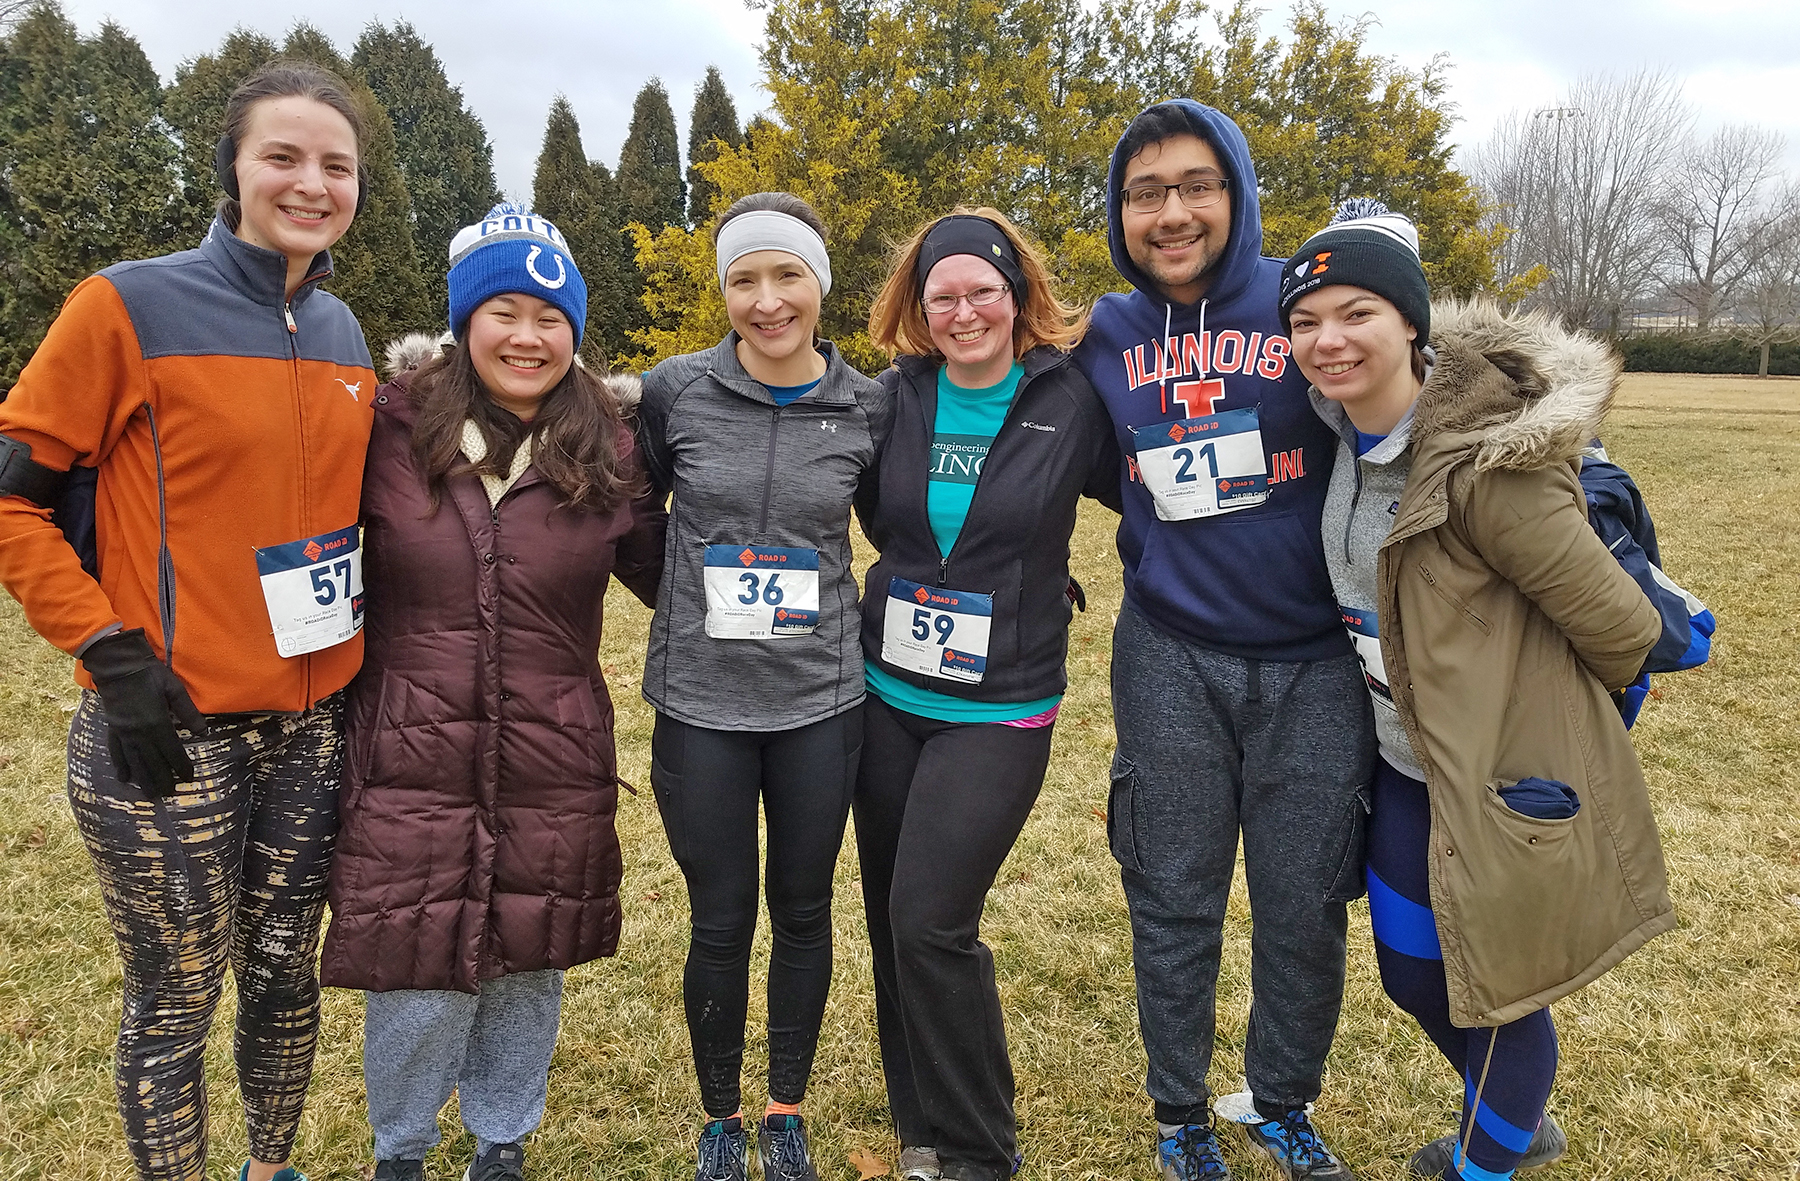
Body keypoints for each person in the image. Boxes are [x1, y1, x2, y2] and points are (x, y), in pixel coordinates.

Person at [0, 63, 375, 1181]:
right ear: (232, 167)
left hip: (312, 723)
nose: (311, 183)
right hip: (168, 726)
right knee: (176, 997)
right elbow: (15, 497)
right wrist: (108, 650)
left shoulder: (346, 326)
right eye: (284, 157)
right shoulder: (126, 303)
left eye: (336, 166)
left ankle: (271, 1166)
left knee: (283, 976)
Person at [1278, 202, 1674, 1181]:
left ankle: (1485, 1159)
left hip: (1491, 778)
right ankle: (1514, 1118)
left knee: (1493, 995)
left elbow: (1625, 630)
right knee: (1415, 973)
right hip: (1405, 765)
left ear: (1412, 321)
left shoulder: (1486, 467)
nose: (1328, 339)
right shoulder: (1337, 431)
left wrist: (1527, 724)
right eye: (1304, 320)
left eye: (1356, 311)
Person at [317, 205, 665, 1181]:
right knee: (418, 970)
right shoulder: (385, 428)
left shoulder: (609, 442)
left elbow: (667, 570)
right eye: (504, 310)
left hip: (552, 753)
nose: (527, 334)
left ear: (574, 331)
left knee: (527, 956)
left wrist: (799, 591)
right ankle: (402, 1149)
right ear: (465, 321)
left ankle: (503, 1140)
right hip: (410, 755)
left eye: (549, 315)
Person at [1071, 99, 1374, 1181]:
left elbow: (1421, 395)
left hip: (1316, 657)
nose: (1172, 212)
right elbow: (1045, 438)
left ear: (1237, 193)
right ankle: (1181, 1115)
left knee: (1304, 902)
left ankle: (1285, 1102)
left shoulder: (1306, 303)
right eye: (1145, 192)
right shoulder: (1104, 331)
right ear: (1119, 212)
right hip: (1171, 651)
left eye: (1198, 184)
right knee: (1173, 887)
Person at [855, 209, 1121, 1181]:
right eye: (943, 296)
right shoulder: (895, 398)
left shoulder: (1072, 396)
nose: (964, 311)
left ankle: (979, 1150)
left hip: (1000, 705)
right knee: (890, 912)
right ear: (918, 311)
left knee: (932, 915)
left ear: (1016, 297)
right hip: (885, 692)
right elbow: (854, 509)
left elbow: (1149, 499)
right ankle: (919, 1118)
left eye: (982, 291)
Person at [635, 192, 891, 1181]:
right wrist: (683, 599)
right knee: (719, 913)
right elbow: (626, 518)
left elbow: (903, 525)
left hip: (821, 701)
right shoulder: (675, 392)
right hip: (700, 702)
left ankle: (785, 1108)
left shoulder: (867, 403)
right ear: (725, 289)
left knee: (802, 902)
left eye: (786, 274)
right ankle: (720, 1114)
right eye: (744, 277)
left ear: (819, 283)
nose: (767, 298)